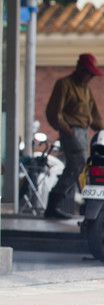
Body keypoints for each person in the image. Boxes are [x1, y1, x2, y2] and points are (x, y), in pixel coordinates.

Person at [45, 53, 104, 219]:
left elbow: (95, 115)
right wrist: (67, 130)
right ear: (79, 69)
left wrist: (102, 130)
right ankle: (89, 204)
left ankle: (53, 203)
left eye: (93, 74)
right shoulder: (64, 84)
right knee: (82, 168)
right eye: (88, 73)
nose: (90, 77)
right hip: (70, 132)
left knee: (73, 170)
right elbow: (53, 112)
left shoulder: (86, 89)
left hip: (83, 132)